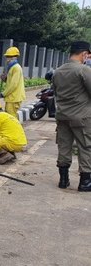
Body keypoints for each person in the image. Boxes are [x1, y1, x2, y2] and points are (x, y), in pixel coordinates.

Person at [51, 41, 91, 191]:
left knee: (64, 146)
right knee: (86, 147)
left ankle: (63, 180)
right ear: (84, 54)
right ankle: (85, 182)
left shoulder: (58, 71)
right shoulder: (84, 70)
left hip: (62, 116)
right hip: (82, 117)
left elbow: (55, 92)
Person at [0, 47, 26, 117]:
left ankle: (15, 128)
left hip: (14, 98)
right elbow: (11, 81)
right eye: (7, 57)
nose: (7, 59)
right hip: (11, 97)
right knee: (10, 116)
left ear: (14, 57)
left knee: (11, 117)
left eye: (9, 57)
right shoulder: (12, 67)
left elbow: (14, 84)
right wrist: (5, 79)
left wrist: (3, 94)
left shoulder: (16, 68)